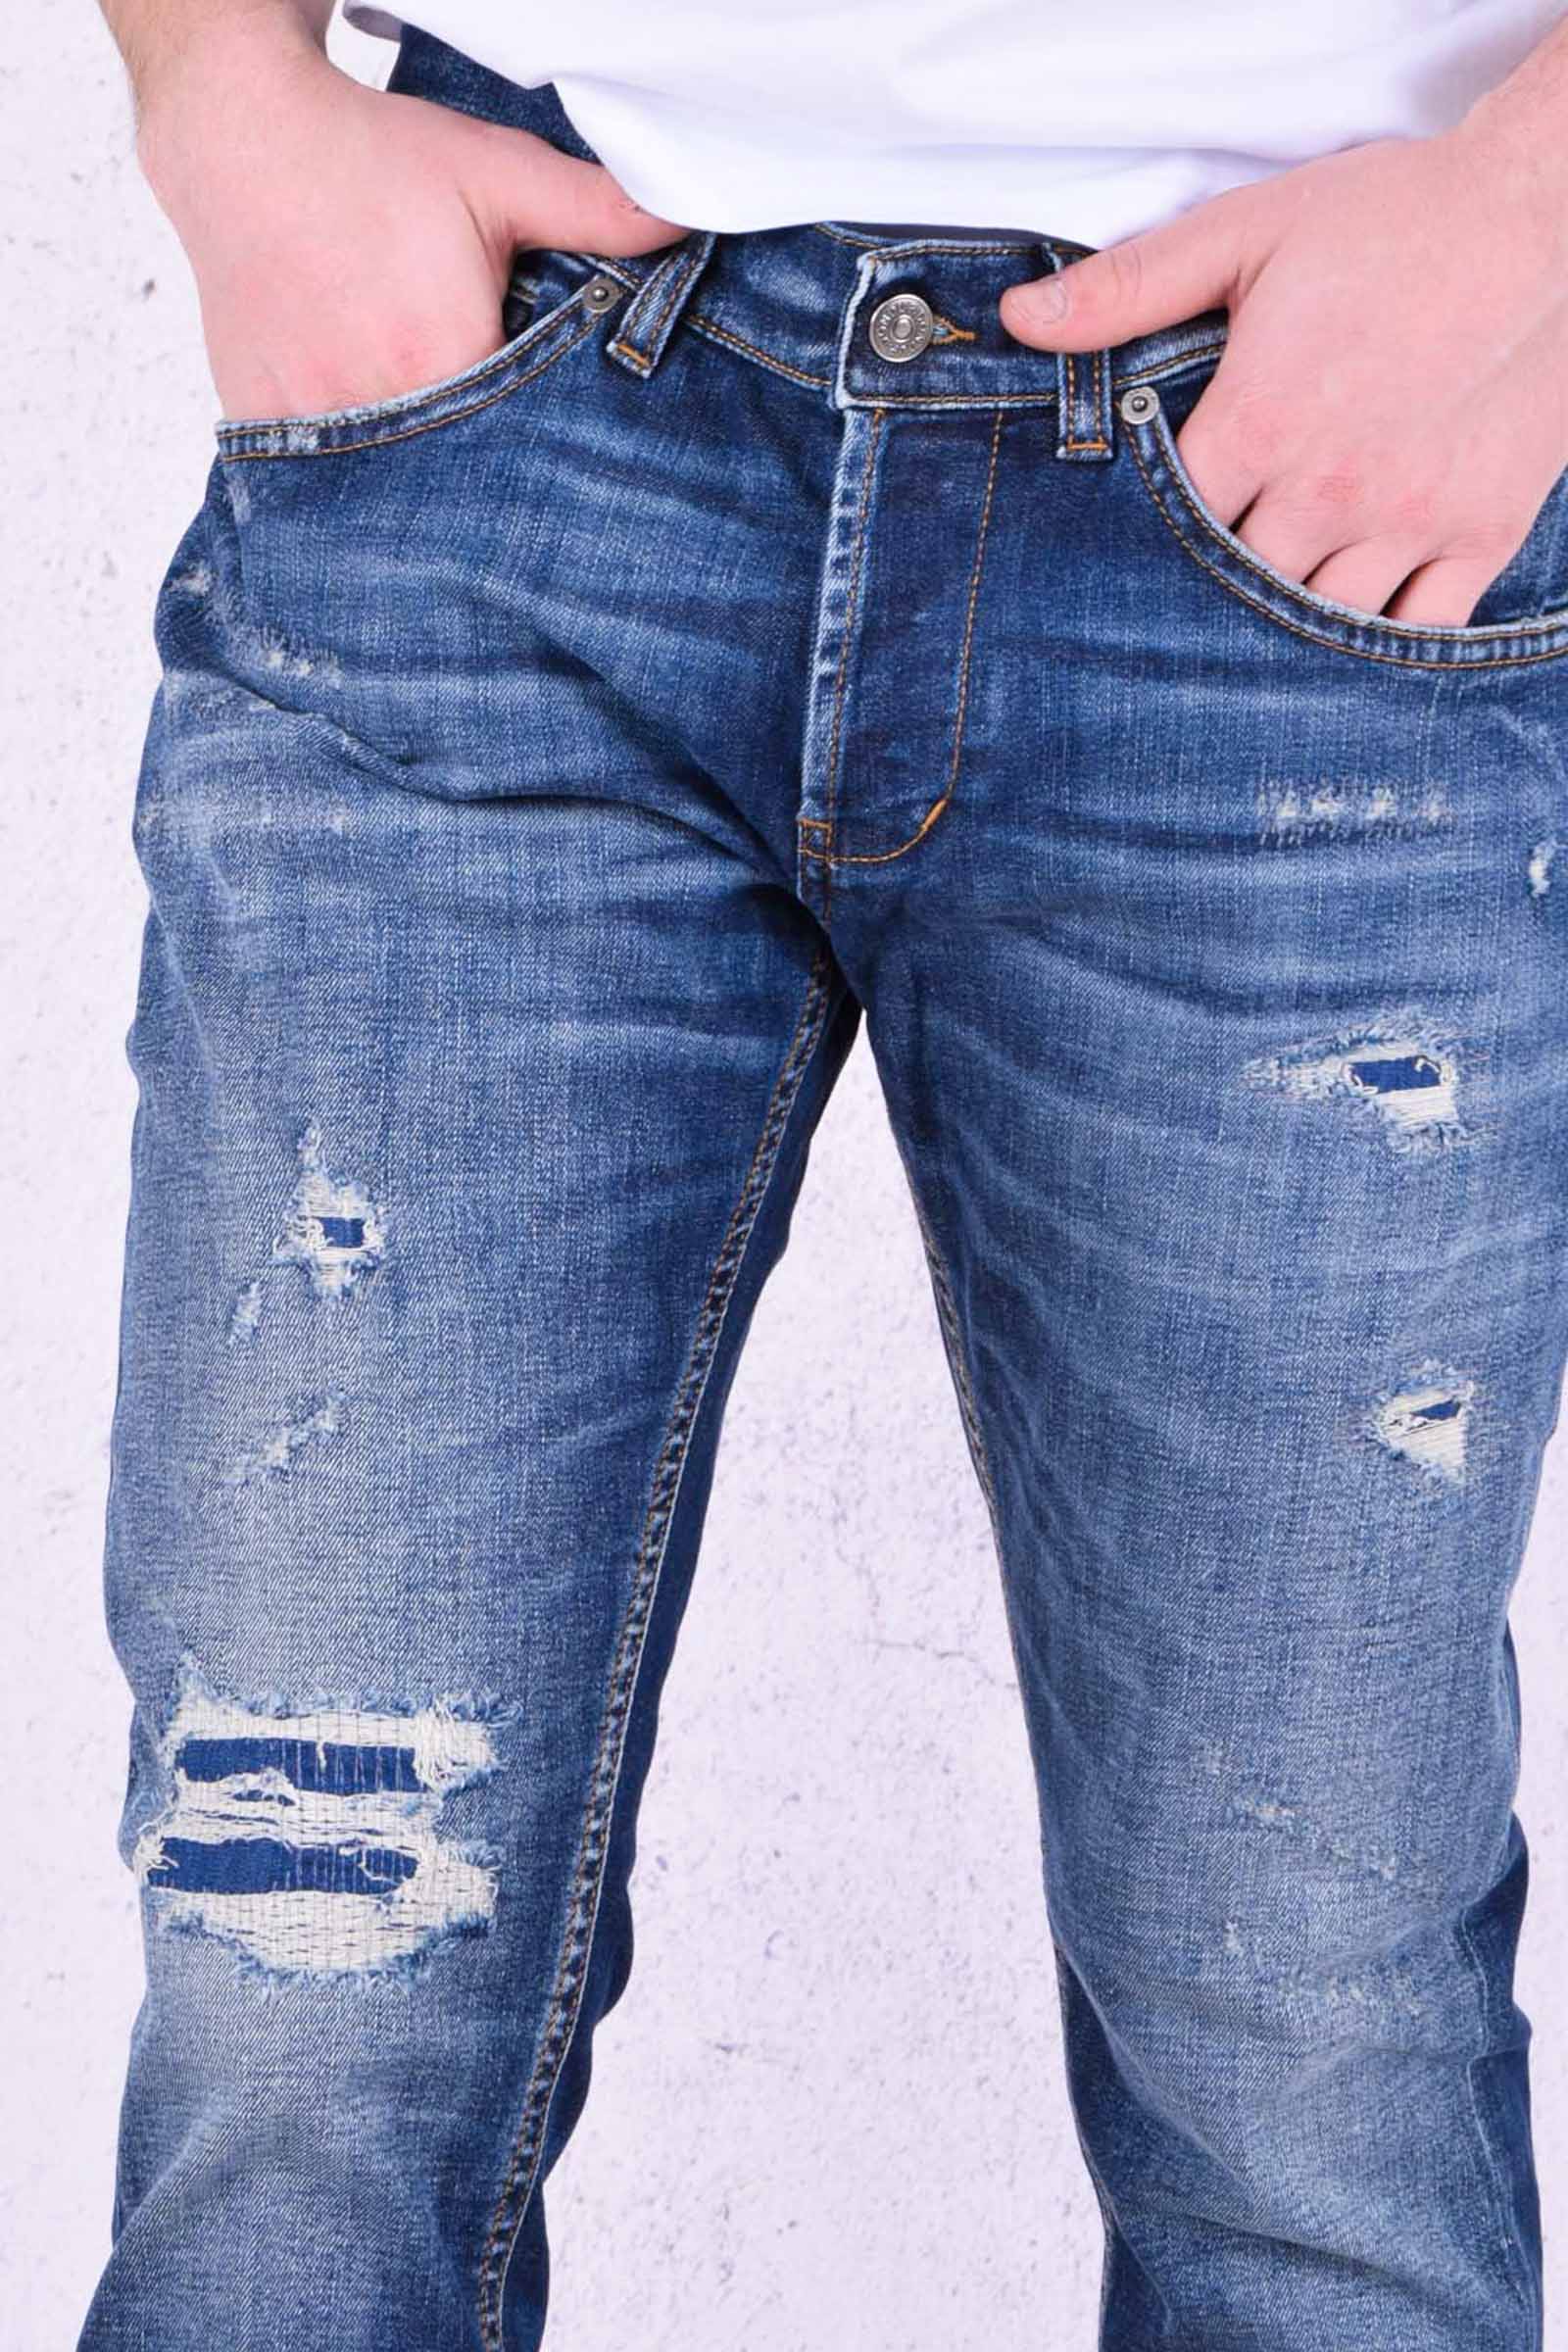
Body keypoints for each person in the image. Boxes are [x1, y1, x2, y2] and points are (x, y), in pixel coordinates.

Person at [80, 1, 1568, 2346]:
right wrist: (219, 93)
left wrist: (1534, 211)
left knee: (1304, 2055)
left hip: (1312, 457)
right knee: (305, 1988)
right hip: (503, 397)